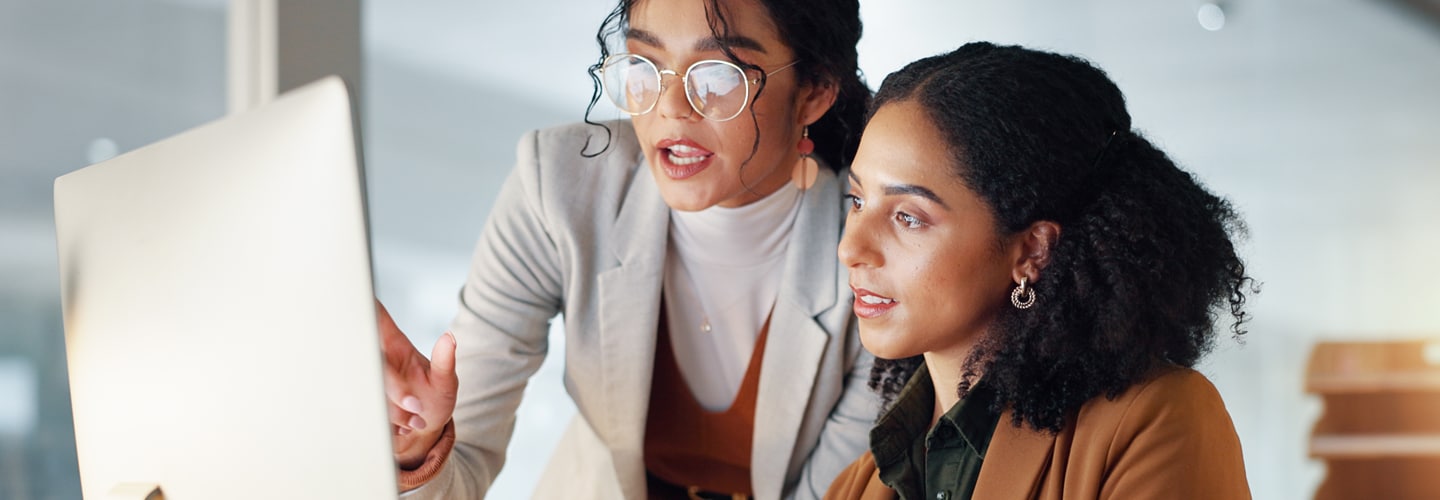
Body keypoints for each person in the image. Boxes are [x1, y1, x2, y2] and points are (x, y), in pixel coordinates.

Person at [377, 0, 880, 498]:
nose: (671, 107)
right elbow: (458, 473)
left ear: (814, 90)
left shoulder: (876, 255)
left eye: (720, 74)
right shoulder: (557, 186)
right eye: (646, 63)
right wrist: (419, 448)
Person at [824, 42, 1256, 499]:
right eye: (857, 201)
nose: (850, 247)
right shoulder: (855, 486)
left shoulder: (1156, 423)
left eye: (908, 217)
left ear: (1032, 250)